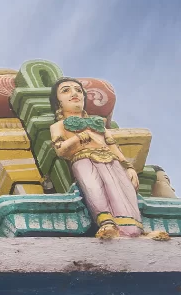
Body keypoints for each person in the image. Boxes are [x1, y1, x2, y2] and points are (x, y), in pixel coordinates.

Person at [49, 77, 168, 240]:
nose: (74, 93)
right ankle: (106, 224)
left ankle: (135, 232)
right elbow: (61, 150)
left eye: (78, 90)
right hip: (83, 159)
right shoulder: (59, 126)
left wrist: (129, 166)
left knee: (124, 192)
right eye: (66, 90)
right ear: (58, 102)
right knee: (94, 188)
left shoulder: (99, 124)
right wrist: (81, 137)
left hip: (111, 160)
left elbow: (112, 146)